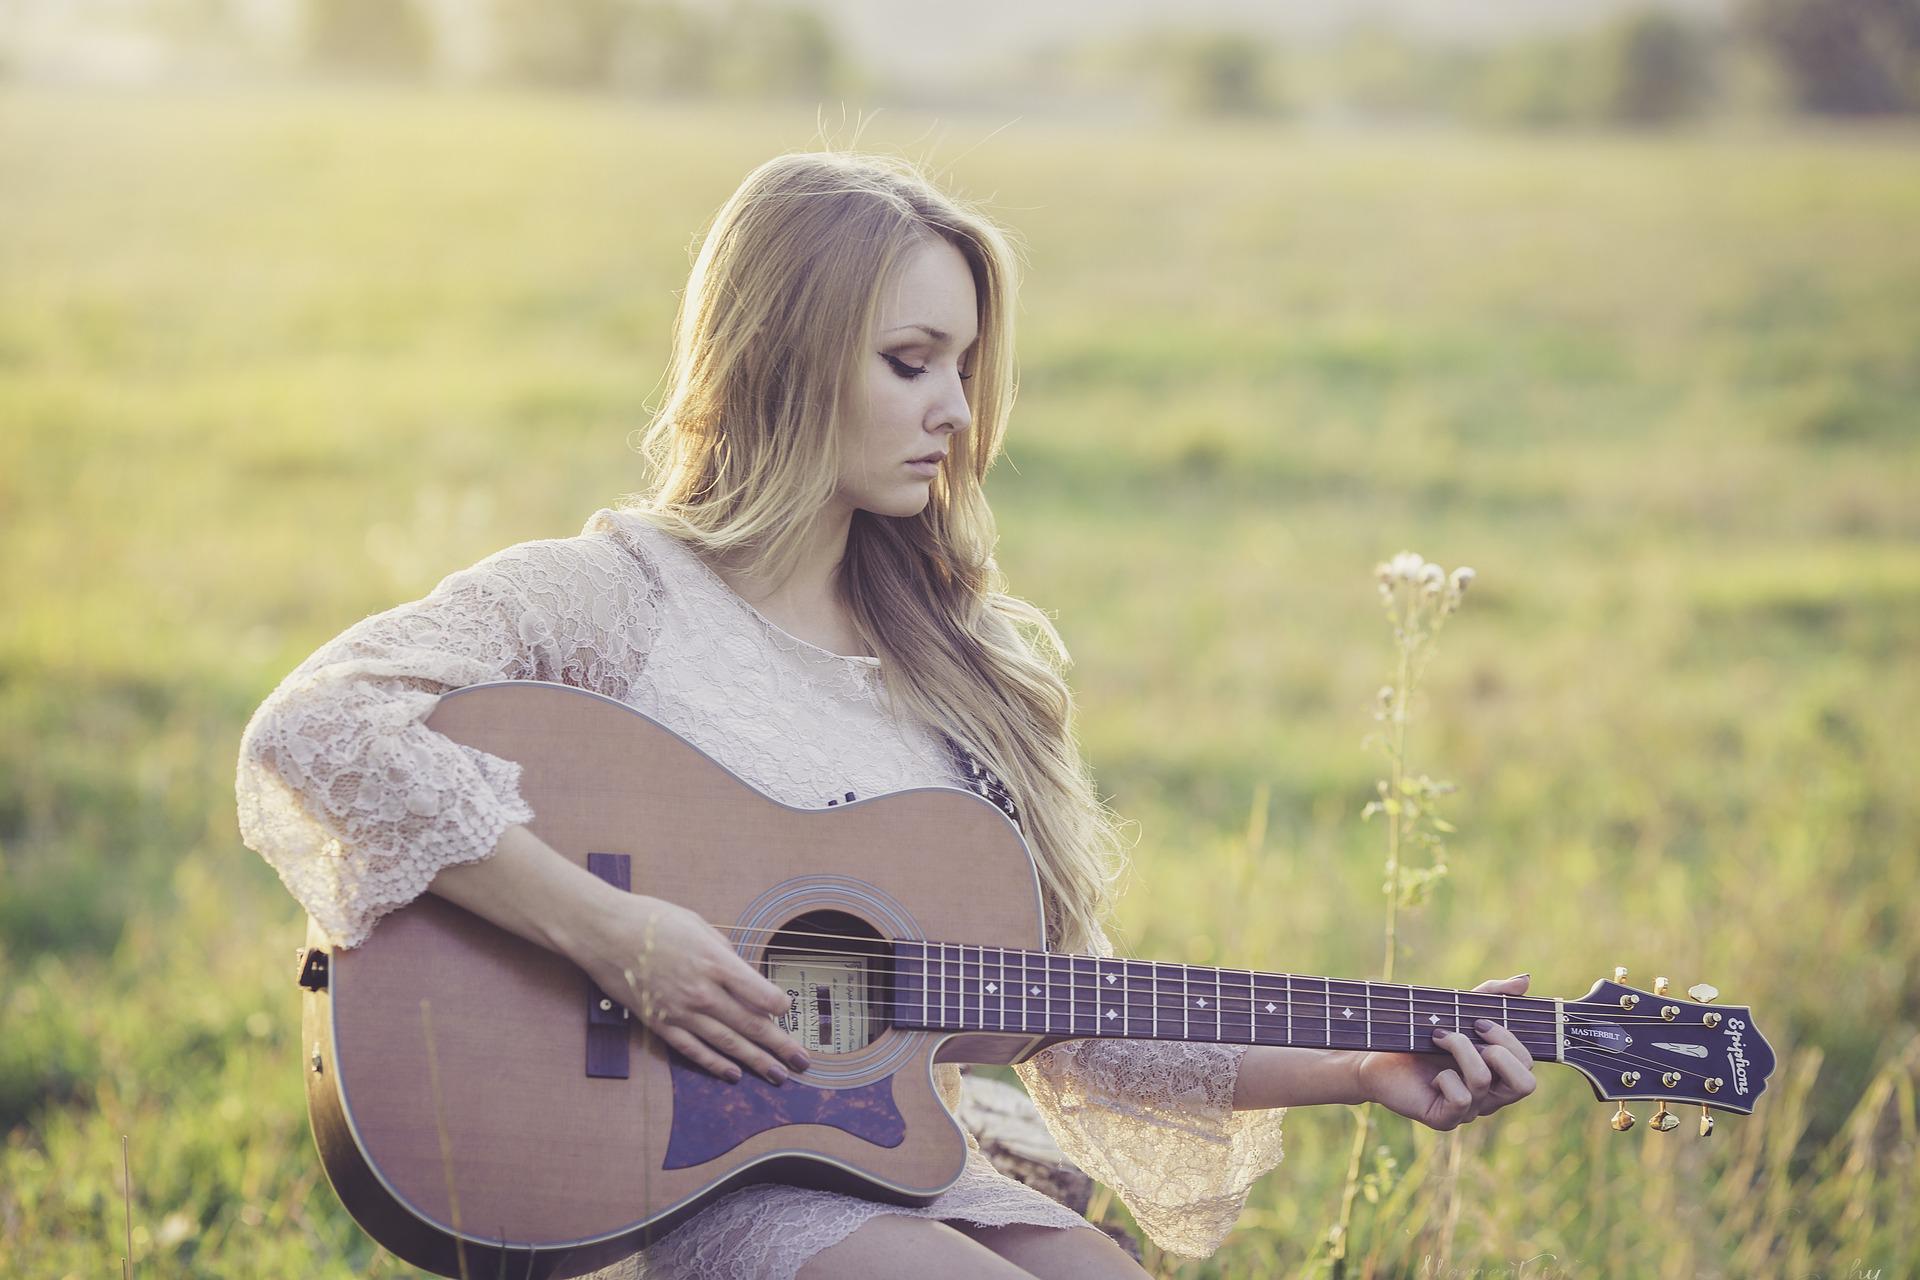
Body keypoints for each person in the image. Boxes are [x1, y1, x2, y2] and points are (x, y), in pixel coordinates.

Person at [235, 150, 1538, 1280]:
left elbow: (1062, 1019)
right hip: (666, 1183)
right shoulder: (610, 598)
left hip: (876, 1165)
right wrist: (618, 935)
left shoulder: (968, 666)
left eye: (967, 367)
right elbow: (316, 730)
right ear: (782, 359)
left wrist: (1363, 1064)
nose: (958, 412)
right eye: (912, 362)